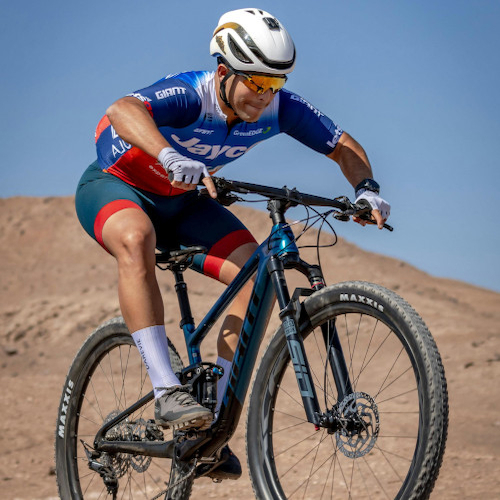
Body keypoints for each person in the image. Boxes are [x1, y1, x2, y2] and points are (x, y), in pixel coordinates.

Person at [75, 7, 390, 480]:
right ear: (224, 72)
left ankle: (211, 425)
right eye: (257, 84)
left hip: (184, 205)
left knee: (257, 274)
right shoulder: (192, 93)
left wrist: (367, 189)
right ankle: (166, 391)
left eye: (275, 85)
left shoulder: (279, 107)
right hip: (117, 187)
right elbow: (121, 110)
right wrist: (166, 153)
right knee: (137, 237)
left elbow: (342, 145)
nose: (266, 97)